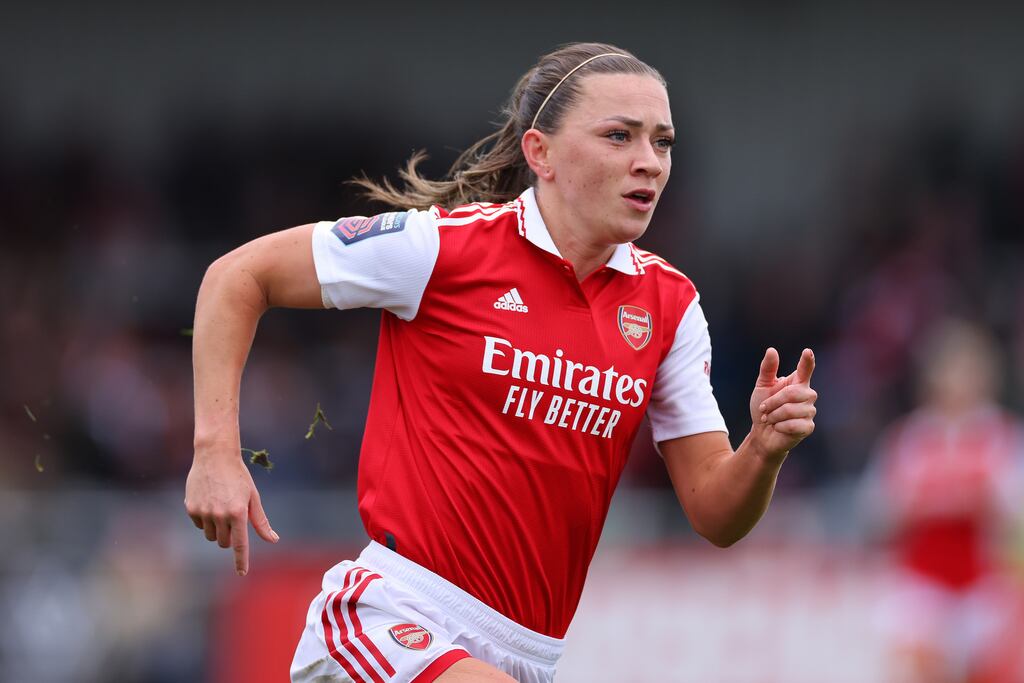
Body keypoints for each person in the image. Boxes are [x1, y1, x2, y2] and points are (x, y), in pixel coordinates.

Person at [184, 42, 819, 683]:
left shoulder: (671, 307)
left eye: (663, 142)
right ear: (539, 153)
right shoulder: (443, 249)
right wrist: (215, 450)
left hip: (528, 656)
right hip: (394, 619)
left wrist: (763, 447)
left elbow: (715, 513)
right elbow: (237, 276)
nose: (648, 162)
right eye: (619, 136)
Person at [861, 318, 1024, 682]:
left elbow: (1014, 510)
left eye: (969, 370)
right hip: (924, 582)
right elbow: (878, 510)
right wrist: (931, 504)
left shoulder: (1000, 437)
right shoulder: (912, 440)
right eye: (952, 369)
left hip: (981, 583)